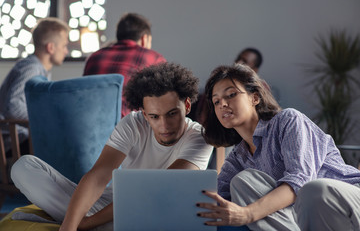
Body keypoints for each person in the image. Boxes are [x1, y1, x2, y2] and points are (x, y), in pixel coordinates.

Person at [11, 62, 213, 231]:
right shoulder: (134, 123)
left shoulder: (199, 137)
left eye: (172, 114)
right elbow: (99, 175)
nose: (164, 126)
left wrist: (85, 222)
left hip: (156, 211)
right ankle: (89, 223)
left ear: (187, 106)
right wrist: (70, 227)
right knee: (24, 167)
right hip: (117, 204)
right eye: (154, 116)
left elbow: (158, 189)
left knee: (150, 217)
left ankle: (87, 223)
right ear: (144, 113)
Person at [196, 64, 360, 230]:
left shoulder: (288, 120)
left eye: (231, 94)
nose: (222, 104)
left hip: (347, 205)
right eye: (216, 101)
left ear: (255, 98)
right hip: (305, 222)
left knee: (314, 190)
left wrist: (247, 213)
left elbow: (300, 179)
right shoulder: (238, 158)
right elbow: (214, 199)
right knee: (243, 181)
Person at [0, 17, 69, 153]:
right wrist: (46, 117)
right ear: (51, 47)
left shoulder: (39, 69)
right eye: (64, 46)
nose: (66, 51)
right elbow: (12, 107)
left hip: (21, 137)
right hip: (13, 141)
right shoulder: (32, 69)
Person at [83, 13, 166, 118]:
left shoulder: (94, 57)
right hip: (128, 127)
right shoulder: (153, 58)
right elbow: (165, 101)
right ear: (144, 39)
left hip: (91, 124)